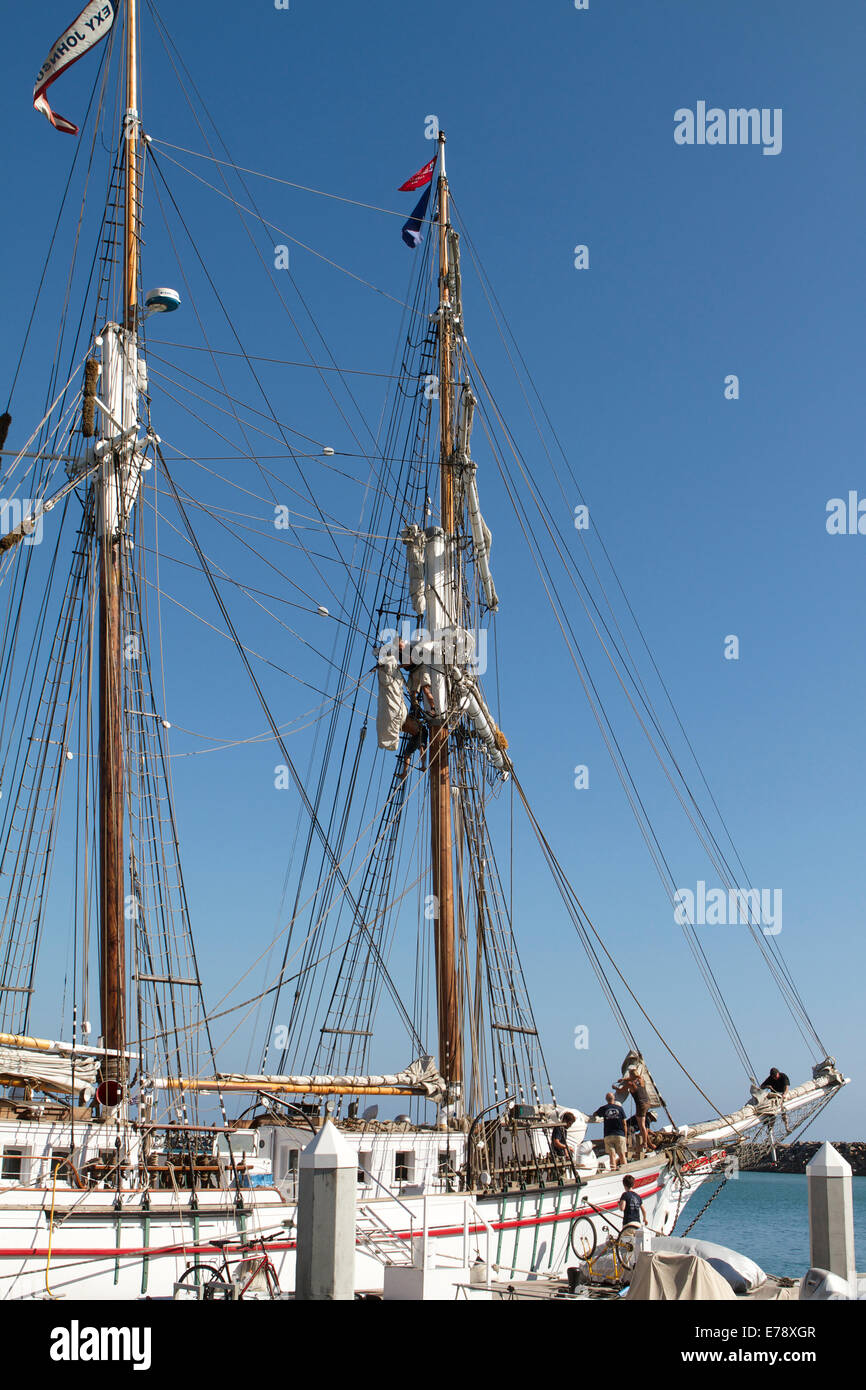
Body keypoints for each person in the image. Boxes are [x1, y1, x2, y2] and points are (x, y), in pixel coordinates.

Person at [590, 1092, 628, 1171]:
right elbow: (624, 1123)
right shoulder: (620, 1109)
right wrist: (626, 1135)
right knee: (622, 1155)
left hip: (608, 1135)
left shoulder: (603, 1108)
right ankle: (625, 1171)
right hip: (620, 1134)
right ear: (614, 1098)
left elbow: (595, 1114)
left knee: (612, 1155)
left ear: (606, 1100)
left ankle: (613, 1171)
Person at [760, 1067, 791, 1133]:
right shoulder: (770, 1078)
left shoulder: (783, 1076)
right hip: (774, 1097)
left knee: (783, 1111)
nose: (774, 1078)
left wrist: (784, 1094)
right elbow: (761, 1086)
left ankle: (787, 1127)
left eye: (775, 1076)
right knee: (772, 1115)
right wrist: (767, 1086)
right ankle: (770, 1131)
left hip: (782, 1095)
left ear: (778, 1073)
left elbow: (786, 1088)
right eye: (773, 1076)